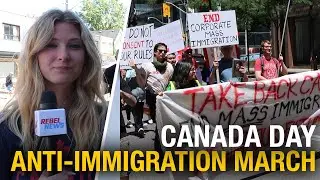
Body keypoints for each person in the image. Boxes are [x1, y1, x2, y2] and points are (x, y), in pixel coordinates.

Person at [0, 9, 108, 179]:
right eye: (51, 44)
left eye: (74, 45)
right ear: (34, 54)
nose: (63, 56)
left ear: (86, 56)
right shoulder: (8, 126)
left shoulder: (105, 121)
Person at [129, 42, 174, 167]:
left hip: (166, 98)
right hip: (153, 98)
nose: (163, 53)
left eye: (165, 51)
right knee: (160, 127)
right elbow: (142, 84)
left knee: (166, 127)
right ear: (155, 52)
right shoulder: (147, 66)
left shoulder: (170, 67)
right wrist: (136, 69)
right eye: (160, 51)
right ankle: (160, 159)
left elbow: (172, 82)